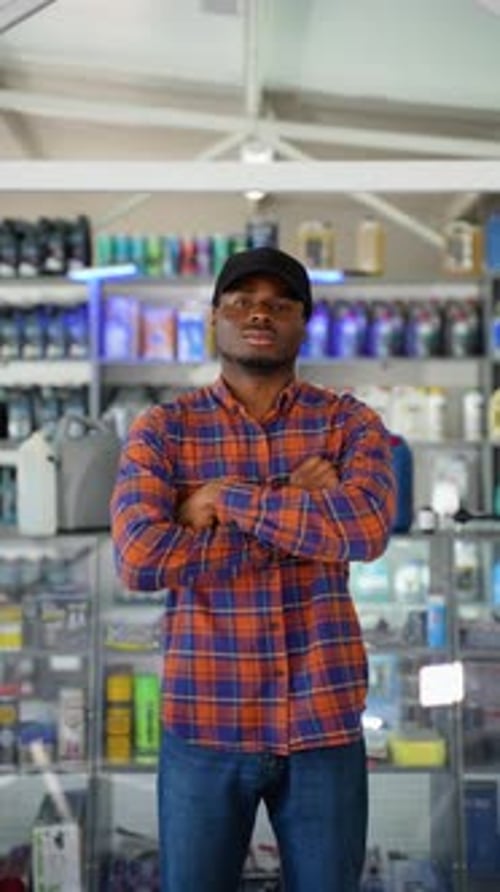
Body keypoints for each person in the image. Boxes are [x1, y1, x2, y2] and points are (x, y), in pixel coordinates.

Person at [110, 246, 396, 892]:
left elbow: (367, 530)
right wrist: (295, 500)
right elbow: (138, 557)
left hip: (321, 720)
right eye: (241, 301)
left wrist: (221, 500)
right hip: (206, 723)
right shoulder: (163, 430)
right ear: (215, 318)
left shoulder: (349, 423)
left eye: (279, 303)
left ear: (303, 322)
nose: (258, 313)